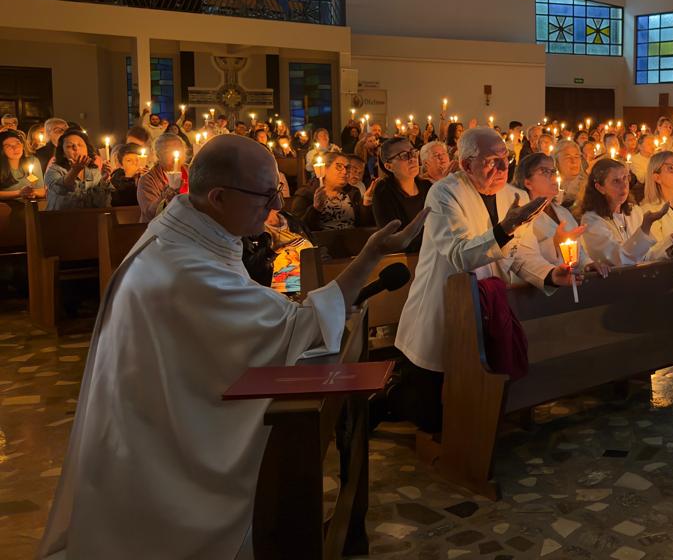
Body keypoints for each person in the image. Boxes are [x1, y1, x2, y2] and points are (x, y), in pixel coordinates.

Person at [37, 134, 426, 560]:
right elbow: (299, 327)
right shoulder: (183, 267)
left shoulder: (190, 233)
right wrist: (369, 256)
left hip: (156, 420)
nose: (275, 205)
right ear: (218, 196)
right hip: (161, 457)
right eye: (265, 195)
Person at [395, 128, 547, 431]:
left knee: (474, 397)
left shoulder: (512, 195)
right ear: (466, 165)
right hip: (444, 304)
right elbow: (459, 255)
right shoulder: (443, 193)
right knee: (430, 412)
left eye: (506, 158)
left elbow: (519, 253)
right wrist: (505, 228)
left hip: (487, 306)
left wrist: (551, 274)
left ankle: (474, 439)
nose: (504, 168)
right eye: (492, 161)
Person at [507, 151, 606, 291]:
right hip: (535, 290)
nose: (553, 176)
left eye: (553, 171)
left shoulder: (563, 212)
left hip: (570, 284)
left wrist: (587, 264)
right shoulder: (520, 217)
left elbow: (579, 249)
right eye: (544, 171)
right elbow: (522, 259)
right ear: (528, 182)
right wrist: (555, 243)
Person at [578, 158, 668, 267]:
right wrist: (645, 227)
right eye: (616, 181)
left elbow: (647, 254)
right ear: (600, 188)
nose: (624, 185)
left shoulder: (634, 211)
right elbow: (619, 259)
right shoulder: (591, 220)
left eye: (625, 178)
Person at [371, 137, 431, 254]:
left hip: (431, 254)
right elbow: (392, 237)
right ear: (389, 166)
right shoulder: (383, 191)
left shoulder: (427, 186)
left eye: (413, 152)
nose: (412, 159)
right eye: (404, 155)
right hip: (403, 258)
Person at [293, 152, 370, 231]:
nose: (344, 172)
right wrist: (315, 209)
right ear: (324, 169)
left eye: (347, 168)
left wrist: (366, 204)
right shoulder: (306, 194)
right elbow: (298, 228)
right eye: (339, 167)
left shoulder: (352, 192)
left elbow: (363, 225)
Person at [43, 128, 109, 210]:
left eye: (80, 145)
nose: (76, 148)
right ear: (63, 153)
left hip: (88, 219)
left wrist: (104, 180)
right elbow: (60, 189)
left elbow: (101, 203)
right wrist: (75, 171)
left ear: (87, 150)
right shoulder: (54, 170)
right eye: (70, 146)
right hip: (61, 219)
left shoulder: (93, 172)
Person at [138, 133, 189, 222]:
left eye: (178, 150)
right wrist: (165, 196)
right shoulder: (148, 179)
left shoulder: (192, 171)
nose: (175, 157)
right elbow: (150, 213)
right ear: (158, 155)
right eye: (168, 151)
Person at [0, 128, 46, 201]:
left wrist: (33, 192)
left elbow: (42, 191)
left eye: (17, 143)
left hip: (29, 206)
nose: (15, 148)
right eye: (8, 146)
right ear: (2, 150)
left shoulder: (33, 161)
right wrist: (19, 193)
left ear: (22, 145)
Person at [554, 140, 586, 205]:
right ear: (557, 162)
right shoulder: (551, 186)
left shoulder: (588, 186)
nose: (573, 161)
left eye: (576, 157)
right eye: (568, 157)